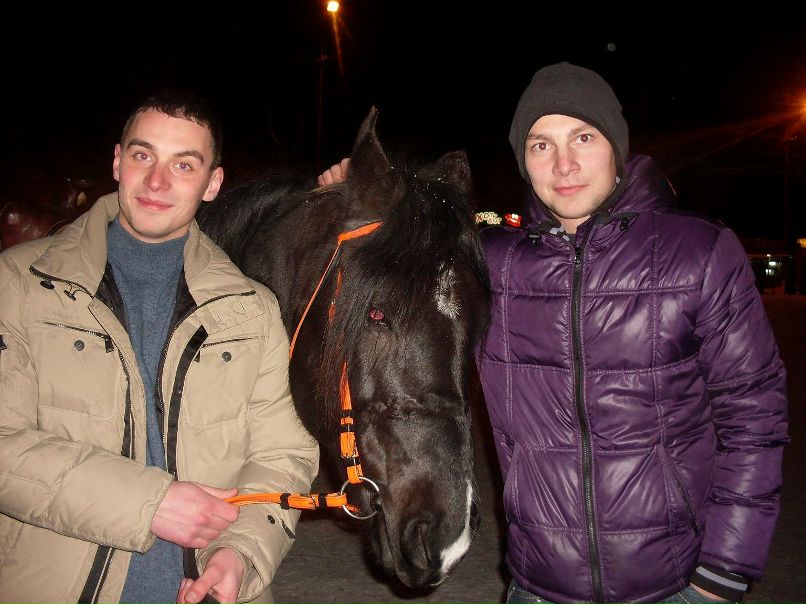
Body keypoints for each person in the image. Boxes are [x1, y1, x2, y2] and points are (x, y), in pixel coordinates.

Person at [473, 62, 789, 604]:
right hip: (538, 587)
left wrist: (723, 572)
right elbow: (387, 266)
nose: (564, 163)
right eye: (541, 144)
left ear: (616, 148)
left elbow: (754, 416)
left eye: (582, 136)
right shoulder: (491, 264)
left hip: (675, 587)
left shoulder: (699, 253)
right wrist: (344, 198)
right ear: (524, 162)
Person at [0, 89, 319, 604]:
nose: (156, 181)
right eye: (143, 155)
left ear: (213, 183)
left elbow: (282, 454)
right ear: (117, 161)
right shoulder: (16, 283)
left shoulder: (252, 308)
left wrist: (241, 553)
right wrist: (149, 503)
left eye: (184, 165)